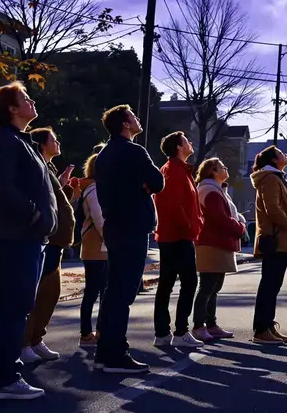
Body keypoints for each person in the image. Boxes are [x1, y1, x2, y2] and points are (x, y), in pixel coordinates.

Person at [0, 83, 57, 400]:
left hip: (27, 238)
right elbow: (0, 188)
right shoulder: (5, 142)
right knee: (11, 308)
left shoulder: (20, 142)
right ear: (11, 108)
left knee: (10, 307)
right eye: (25, 98)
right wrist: (33, 214)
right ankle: (3, 378)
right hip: (16, 237)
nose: (31, 101)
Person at [93, 105, 165, 373]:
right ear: (125, 124)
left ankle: (105, 350)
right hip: (133, 226)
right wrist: (143, 184)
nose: (138, 118)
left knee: (114, 290)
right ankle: (114, 353)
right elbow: (158, 182)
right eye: (134, 115)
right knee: (123, 293)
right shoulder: (134, 151)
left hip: (114, 226)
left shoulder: (104, 155)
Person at [21, 127, 76, 364]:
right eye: (54, 139)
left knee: (50, 295)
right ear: (42, 145)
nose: (58, 142)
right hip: (46, 241)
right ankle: (23, 343)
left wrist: (63, 185)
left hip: (56, 243)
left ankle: (36, 339)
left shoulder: (49, 169)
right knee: (35, 295)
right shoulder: (37, 167)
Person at [152, 131, 204, 348]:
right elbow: (175, 206)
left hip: (174, 235)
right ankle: (179, 331)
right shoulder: (174, 170)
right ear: (178, 147)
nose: (190, 143)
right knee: (187, 281)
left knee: (167, 283)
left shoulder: (180, 170)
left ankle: (163, 334)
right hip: (177, 235)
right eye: (186, 141)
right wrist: (191, 228)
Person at [249, 146, 287, 345]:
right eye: (281, 153)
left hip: (280, 239)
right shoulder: (270, 179)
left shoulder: (277, 177)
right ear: (273, 160)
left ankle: (268, 326)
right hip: (275, 239)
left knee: (273, 286)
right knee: (269, 286)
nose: (286, 154)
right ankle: (261, 330)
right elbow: (273, 208)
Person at [192, 158, 246, 341]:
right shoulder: (210, 190)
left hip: (219, 243)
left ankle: (211, 324)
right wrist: (240, 228)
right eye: (222, 167)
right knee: (207, 287)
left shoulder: (218, 190)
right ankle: (199, 326)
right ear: (213, 171)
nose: (226, 168)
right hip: (211, 243)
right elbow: (219, 218)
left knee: (214, 287)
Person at [76, 145, 107, 348]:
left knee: (102, 291)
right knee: (94, 291)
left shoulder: (97, 187)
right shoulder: (94, 189)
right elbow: (99, 218)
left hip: (100, 246)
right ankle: (87, 333)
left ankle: (100, 331)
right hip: (97, 246)